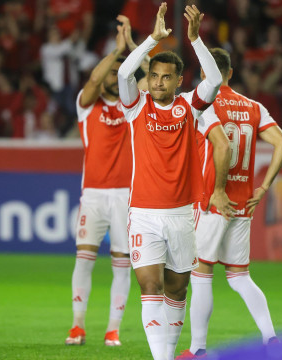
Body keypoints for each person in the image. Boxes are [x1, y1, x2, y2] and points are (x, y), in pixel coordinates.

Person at [117, 4, 234, 359]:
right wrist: (152, 38)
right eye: (154, 76)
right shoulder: (136, 107)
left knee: (177, 290)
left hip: (182, 215)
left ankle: (168, 349)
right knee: (149, 286)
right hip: (143, 214)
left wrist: (195, 39)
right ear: (148, 77)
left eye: (167, 77)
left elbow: (213, 81)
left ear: (179, 80)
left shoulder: (189, 107)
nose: (159, 82)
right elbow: (124, 74)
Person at [177, 48, 282, 359]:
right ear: (231, 73)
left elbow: (221, 147)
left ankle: (198, 349)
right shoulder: (253, 107)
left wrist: (217, 189)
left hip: (215, 199)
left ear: (205, 74)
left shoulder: (200, 101)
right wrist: (264, 187)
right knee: (240, 276)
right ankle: (271, 339)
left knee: (200, 271)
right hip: (243, 201)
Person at [65, 15, 138, 347]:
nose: (113, 75)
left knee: (122, 265)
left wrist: (134, 50)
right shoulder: (87, 106)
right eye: (112, 72)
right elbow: (94, 78)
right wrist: (116, 50)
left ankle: (113, 329)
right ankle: (77, 325)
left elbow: (150, 80)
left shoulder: (133, 107)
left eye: (119, 72)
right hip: (93, 194)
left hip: (125, 195)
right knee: (84, 259)